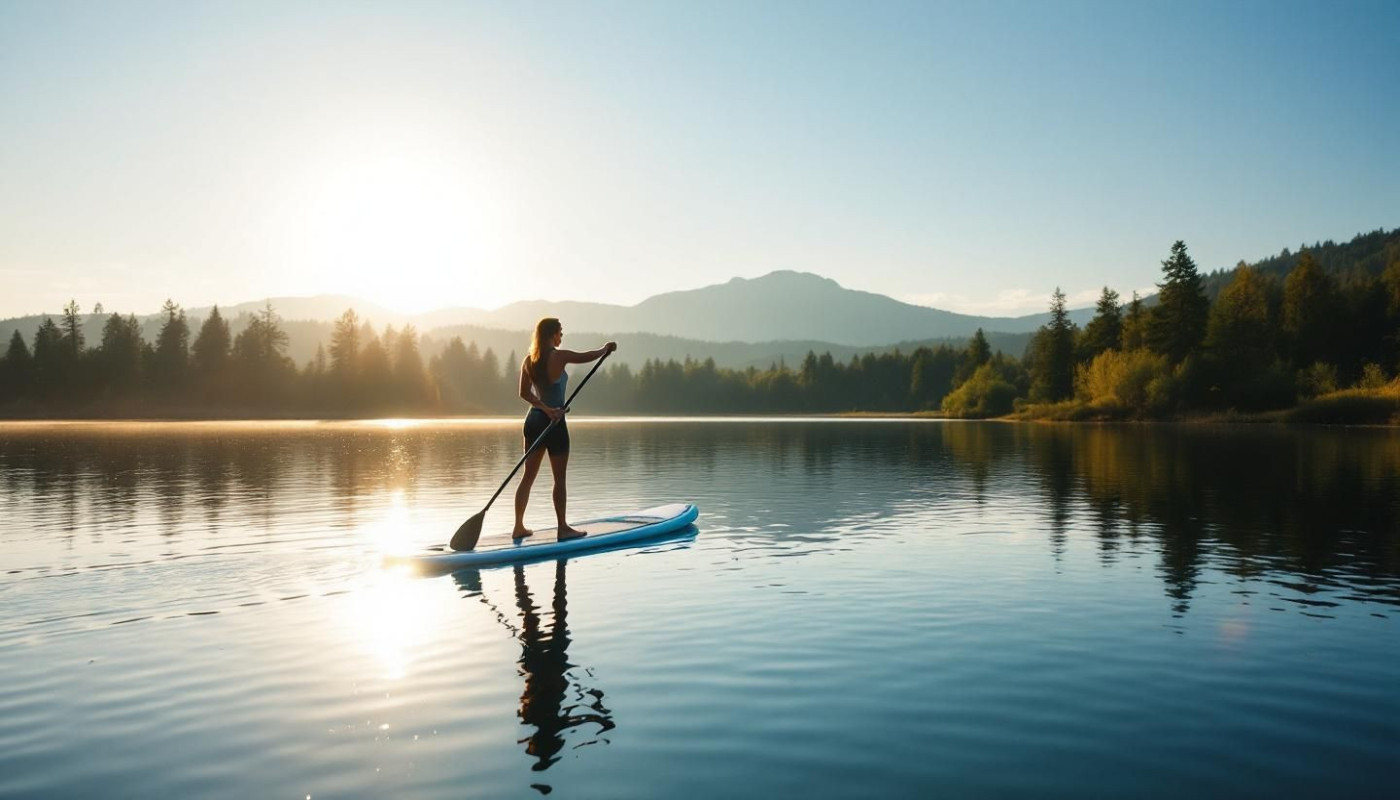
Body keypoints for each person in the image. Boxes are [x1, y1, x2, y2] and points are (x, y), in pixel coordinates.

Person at [514, 317, 616, 541]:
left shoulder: (528, 360)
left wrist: (543, 407)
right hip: (554, 423)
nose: (562, 336)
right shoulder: (560, 356)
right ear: (552, 334)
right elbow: (587, 356)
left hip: (534, 421)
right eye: (560, 332)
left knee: (527, 477)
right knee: (559, 480)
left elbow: (524, 393)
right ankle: (562, 528)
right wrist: (605, 349)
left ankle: (518, 527)